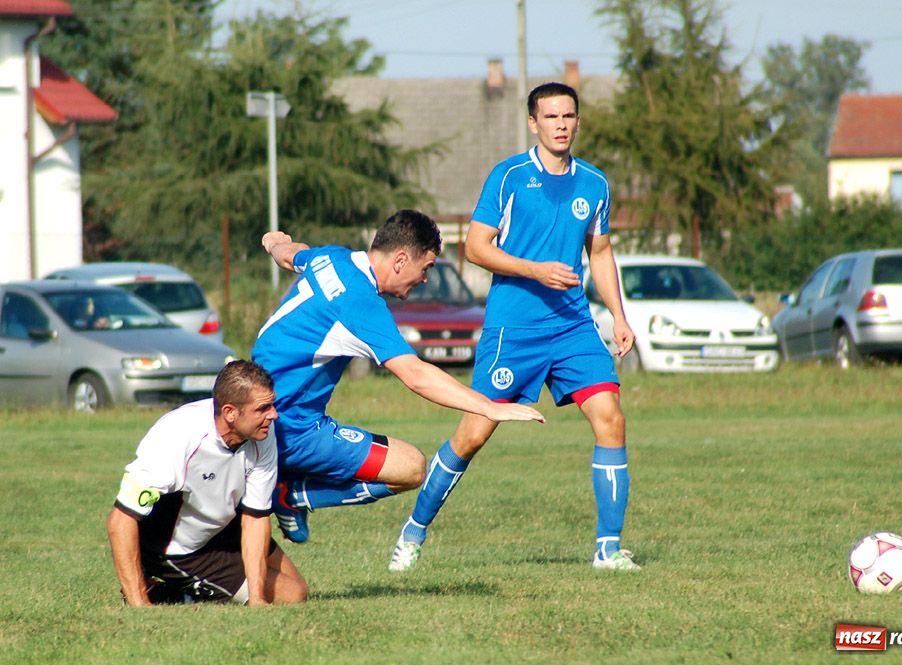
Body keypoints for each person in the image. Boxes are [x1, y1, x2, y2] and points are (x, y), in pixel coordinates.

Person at [389, 82, 640, 572]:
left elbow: (600, 252)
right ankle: (413, 531)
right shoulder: (508, 177)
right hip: (514, 330)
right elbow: (475, 248)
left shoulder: (594, 183)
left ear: (578, 122)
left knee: (611, 417)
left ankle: (608, 550)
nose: (561, 125)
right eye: (551, 117)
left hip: (572, 326)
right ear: (533, 123)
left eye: (568, 116)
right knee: (473, 434)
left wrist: (618, 314)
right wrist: (535, 270)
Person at [252, 209, 545, 545]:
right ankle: (291, 495)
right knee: (411, 468)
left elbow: (290, 255)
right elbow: (416, 374)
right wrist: (488, 407)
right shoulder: (359, 303)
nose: (424, 279)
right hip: (290, 428)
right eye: (426, 268)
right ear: (401, 260)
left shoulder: (332, 258)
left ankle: (286, 484)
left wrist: (273, 242)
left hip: (260, 413)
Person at [106, 360, 308, 606]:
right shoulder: (176, 435)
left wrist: (258, 599)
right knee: (291, 594)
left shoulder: (262, 432)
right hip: (179, 551)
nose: (274, 414)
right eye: (263, 408)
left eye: (272, 405)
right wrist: (140, 605)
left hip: (223, 528)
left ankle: (186, 592)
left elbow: (255, 517)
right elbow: (120, 520)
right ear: (230, 412)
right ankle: (158, 592)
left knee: (298, 588)